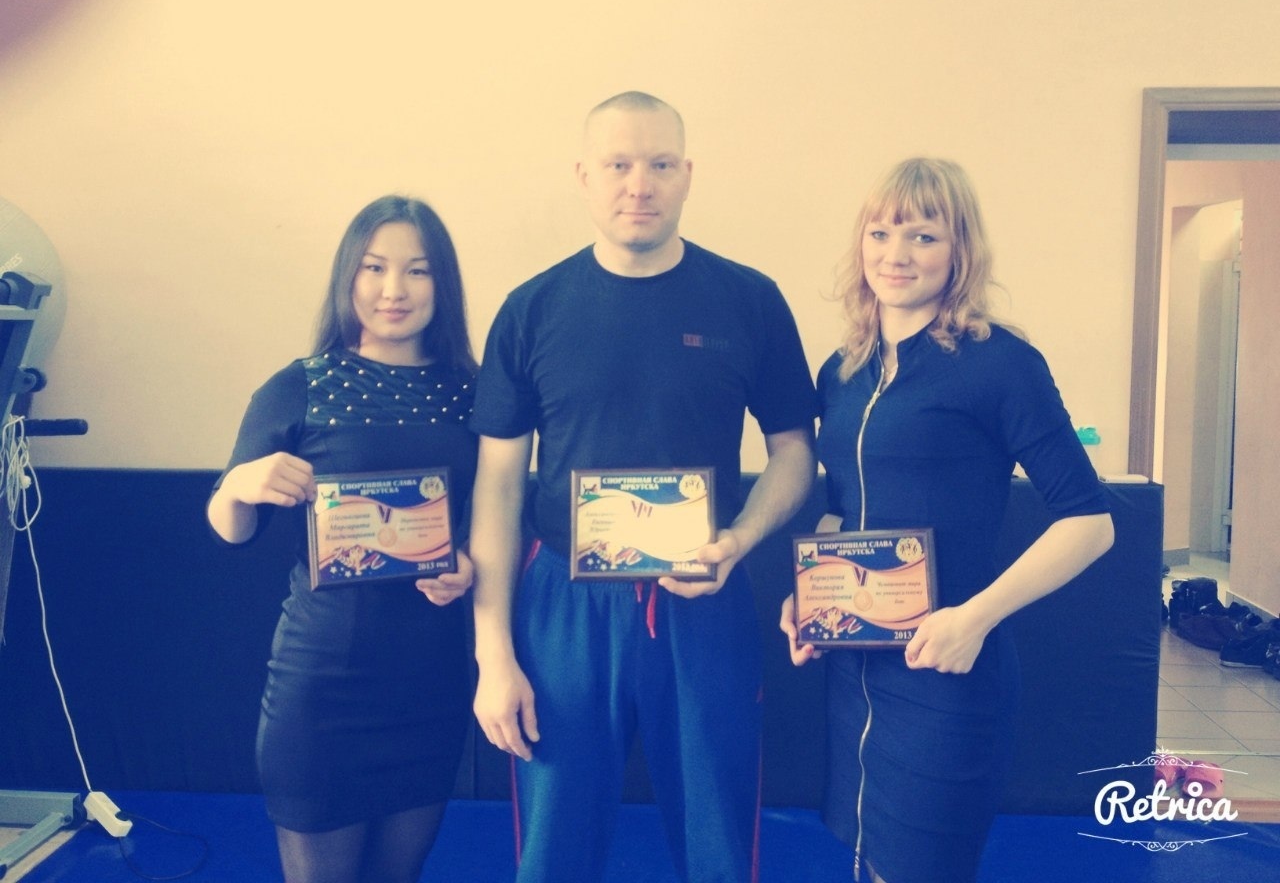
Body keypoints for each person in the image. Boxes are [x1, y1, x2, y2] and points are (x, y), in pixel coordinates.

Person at [469, 91, 817, 883]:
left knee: (718, 847)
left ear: (687, 174)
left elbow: (795, 454)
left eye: (660, 164)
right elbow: (497, 489)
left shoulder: (749, 299)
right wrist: (493, 655)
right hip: (562, 607)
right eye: (619, 165)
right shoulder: (531, 310)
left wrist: (741, 540)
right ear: (584, 177)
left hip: (703, 595)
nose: (639, 184)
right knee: (554, 853)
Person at [780, 158, 1115, 883]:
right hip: (853, 666)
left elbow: (1090, 523)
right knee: (865, 858)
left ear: (960, 249)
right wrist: (810, 601)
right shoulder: (842, 370)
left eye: (923, 236)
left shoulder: (1001, 363)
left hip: (947, 671)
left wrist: (974, 619)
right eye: (880, 233)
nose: (896, 254)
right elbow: (841, 508)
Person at [207, 196, 478, 883]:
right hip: (322, 685)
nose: (394, 290)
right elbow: (230, 529)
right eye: (374, 267)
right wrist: (239, 485)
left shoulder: (474, 392)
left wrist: (471, 564)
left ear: (442, 283)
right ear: (347, 276)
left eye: (417, 270)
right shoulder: (299, 386)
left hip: (431, 685)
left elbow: (494, 519)